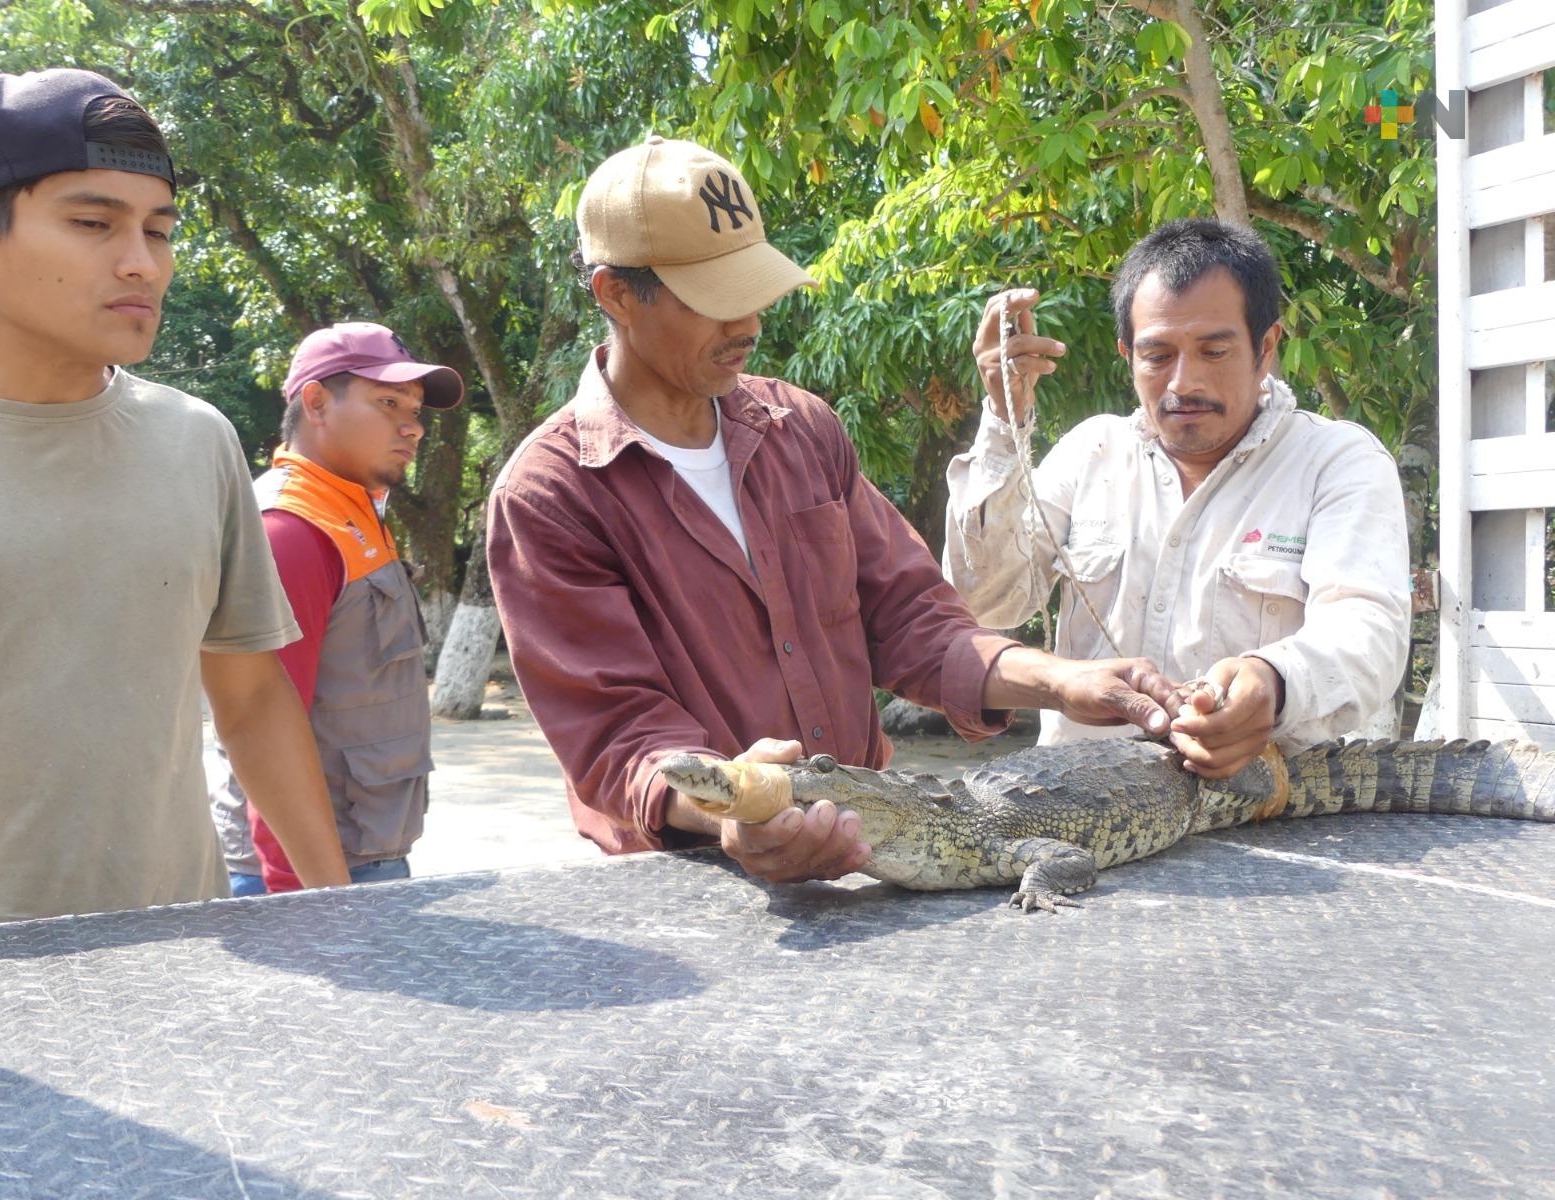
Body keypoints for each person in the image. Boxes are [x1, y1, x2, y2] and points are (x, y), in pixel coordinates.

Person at [487, 135, 1181, 886]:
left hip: (874, 851)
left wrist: (1061, 681)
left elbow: (914, 620)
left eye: (753, 291)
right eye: (715, 301)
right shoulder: (551, 496)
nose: (747, 324)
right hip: (686, 882)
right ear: (616, 294)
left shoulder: (802, 430)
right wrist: (733, 812)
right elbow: (618, 732)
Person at [0, 68, 350, 925]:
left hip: (178, 957)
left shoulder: (195, 439)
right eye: (93, 223)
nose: (142, 263)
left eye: (160, 230)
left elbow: (248, 697)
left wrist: (339, 909)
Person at [944, 218, 1410, 778]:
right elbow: (986, 602)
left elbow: (1368, 633)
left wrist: (1274, 680)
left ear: (1265, 347)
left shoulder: (1337, 462)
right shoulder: (1091, 452)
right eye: (1158, 354)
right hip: (1076, 811)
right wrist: (1002, 420)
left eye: (1214, 351)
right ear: (1127, 354)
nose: (1183, 382)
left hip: (1265, 814)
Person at [211, 322, 463, 894]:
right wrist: (313, 904)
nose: (413, 426)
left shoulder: (348, 511)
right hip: (307, 878)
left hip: (356, 858)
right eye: (388, 402)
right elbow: (261, 725)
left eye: (417, 409)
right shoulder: (293, 530)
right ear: (317, 403)